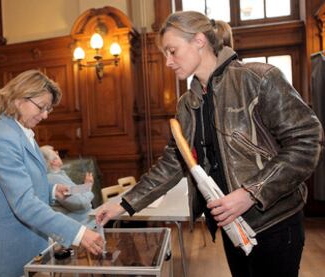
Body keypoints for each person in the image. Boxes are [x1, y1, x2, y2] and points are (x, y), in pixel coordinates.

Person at [96, 11, 323, 277]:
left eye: (172, 51)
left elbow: (307, 141)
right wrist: (124, 203)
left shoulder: (258, 78)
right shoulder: (186, 104)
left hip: (274, 222)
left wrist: (250, 193)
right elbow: (172, 163)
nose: (168, 62)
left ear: (200, 41)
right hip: (230, 225)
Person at [0, 70, 104, 277]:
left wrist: (52, 191)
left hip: (25, 247)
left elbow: (26, 183)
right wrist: (77, 233)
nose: (45, 115)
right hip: (3, 254)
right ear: (18, 98)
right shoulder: (3, 138)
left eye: (48, 109)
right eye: (41, 107)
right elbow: (24, 203)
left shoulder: (21, 132)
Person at [40, 145, 96, 227]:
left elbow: (73, 191)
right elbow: (81, 204)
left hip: (85, 221)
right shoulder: (53, 178)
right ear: (53, 161)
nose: (57, 152)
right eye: (55, 153)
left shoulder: (58, 175)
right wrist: (89, 190)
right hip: (82, 225)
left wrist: (86, 185)